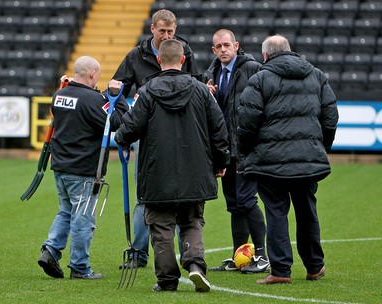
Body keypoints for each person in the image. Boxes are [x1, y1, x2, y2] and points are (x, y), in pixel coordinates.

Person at [114, 39, 230, 292]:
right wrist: (221, 161)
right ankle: (196, 265)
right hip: (196, 169)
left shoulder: (147, 91)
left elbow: (131, 127)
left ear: (158, 60)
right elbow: (219, 129)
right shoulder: (201, 90)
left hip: (157, 171)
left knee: (161, 225)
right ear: (182, 60)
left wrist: (120, 137)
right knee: (192, 221)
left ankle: (167, 280)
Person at [237, 35, 339, 284]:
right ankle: (315, 266)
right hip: (307, 158)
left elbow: (247, 121)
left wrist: (246, 151)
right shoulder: (316, 75)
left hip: (271, 163)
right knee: (307, 213)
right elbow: (330, 116)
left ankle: (281, 271)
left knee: (276, 213)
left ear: (265, 56)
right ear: (290, 51)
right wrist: (320, 146)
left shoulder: (259, 79)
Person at [112, 9, 200, 269]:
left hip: (183, 134)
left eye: (171, 31)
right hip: (148, 135)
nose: (167, 36)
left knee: (183, 195)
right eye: (162, 31)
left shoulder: (186, 51)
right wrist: (126, 119)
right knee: (144, 196)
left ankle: (179, 254)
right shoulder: (135, 56)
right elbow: (117, 89)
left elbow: (196, 85)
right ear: (152, 29)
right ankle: (139, 254)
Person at [38, 56, 129, 280]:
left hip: (60, 165)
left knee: (66, 211)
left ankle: (50, 250)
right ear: (92, 75)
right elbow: (117, 121)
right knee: (83, 218)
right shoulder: (93, 99)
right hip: (84, 170)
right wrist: (116, 96)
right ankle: (79, 267)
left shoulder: (59, 95)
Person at [202, 29, 269, 274]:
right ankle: (239, 256)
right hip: (224, 149)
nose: (222, 50)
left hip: (247, 148)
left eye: (226, 45)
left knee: (247, 200)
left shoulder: (252, 69)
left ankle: (262, 256)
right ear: (213, 50)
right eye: (218, 46)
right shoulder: (211, 74)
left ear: (236, 45)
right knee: (234, 204)